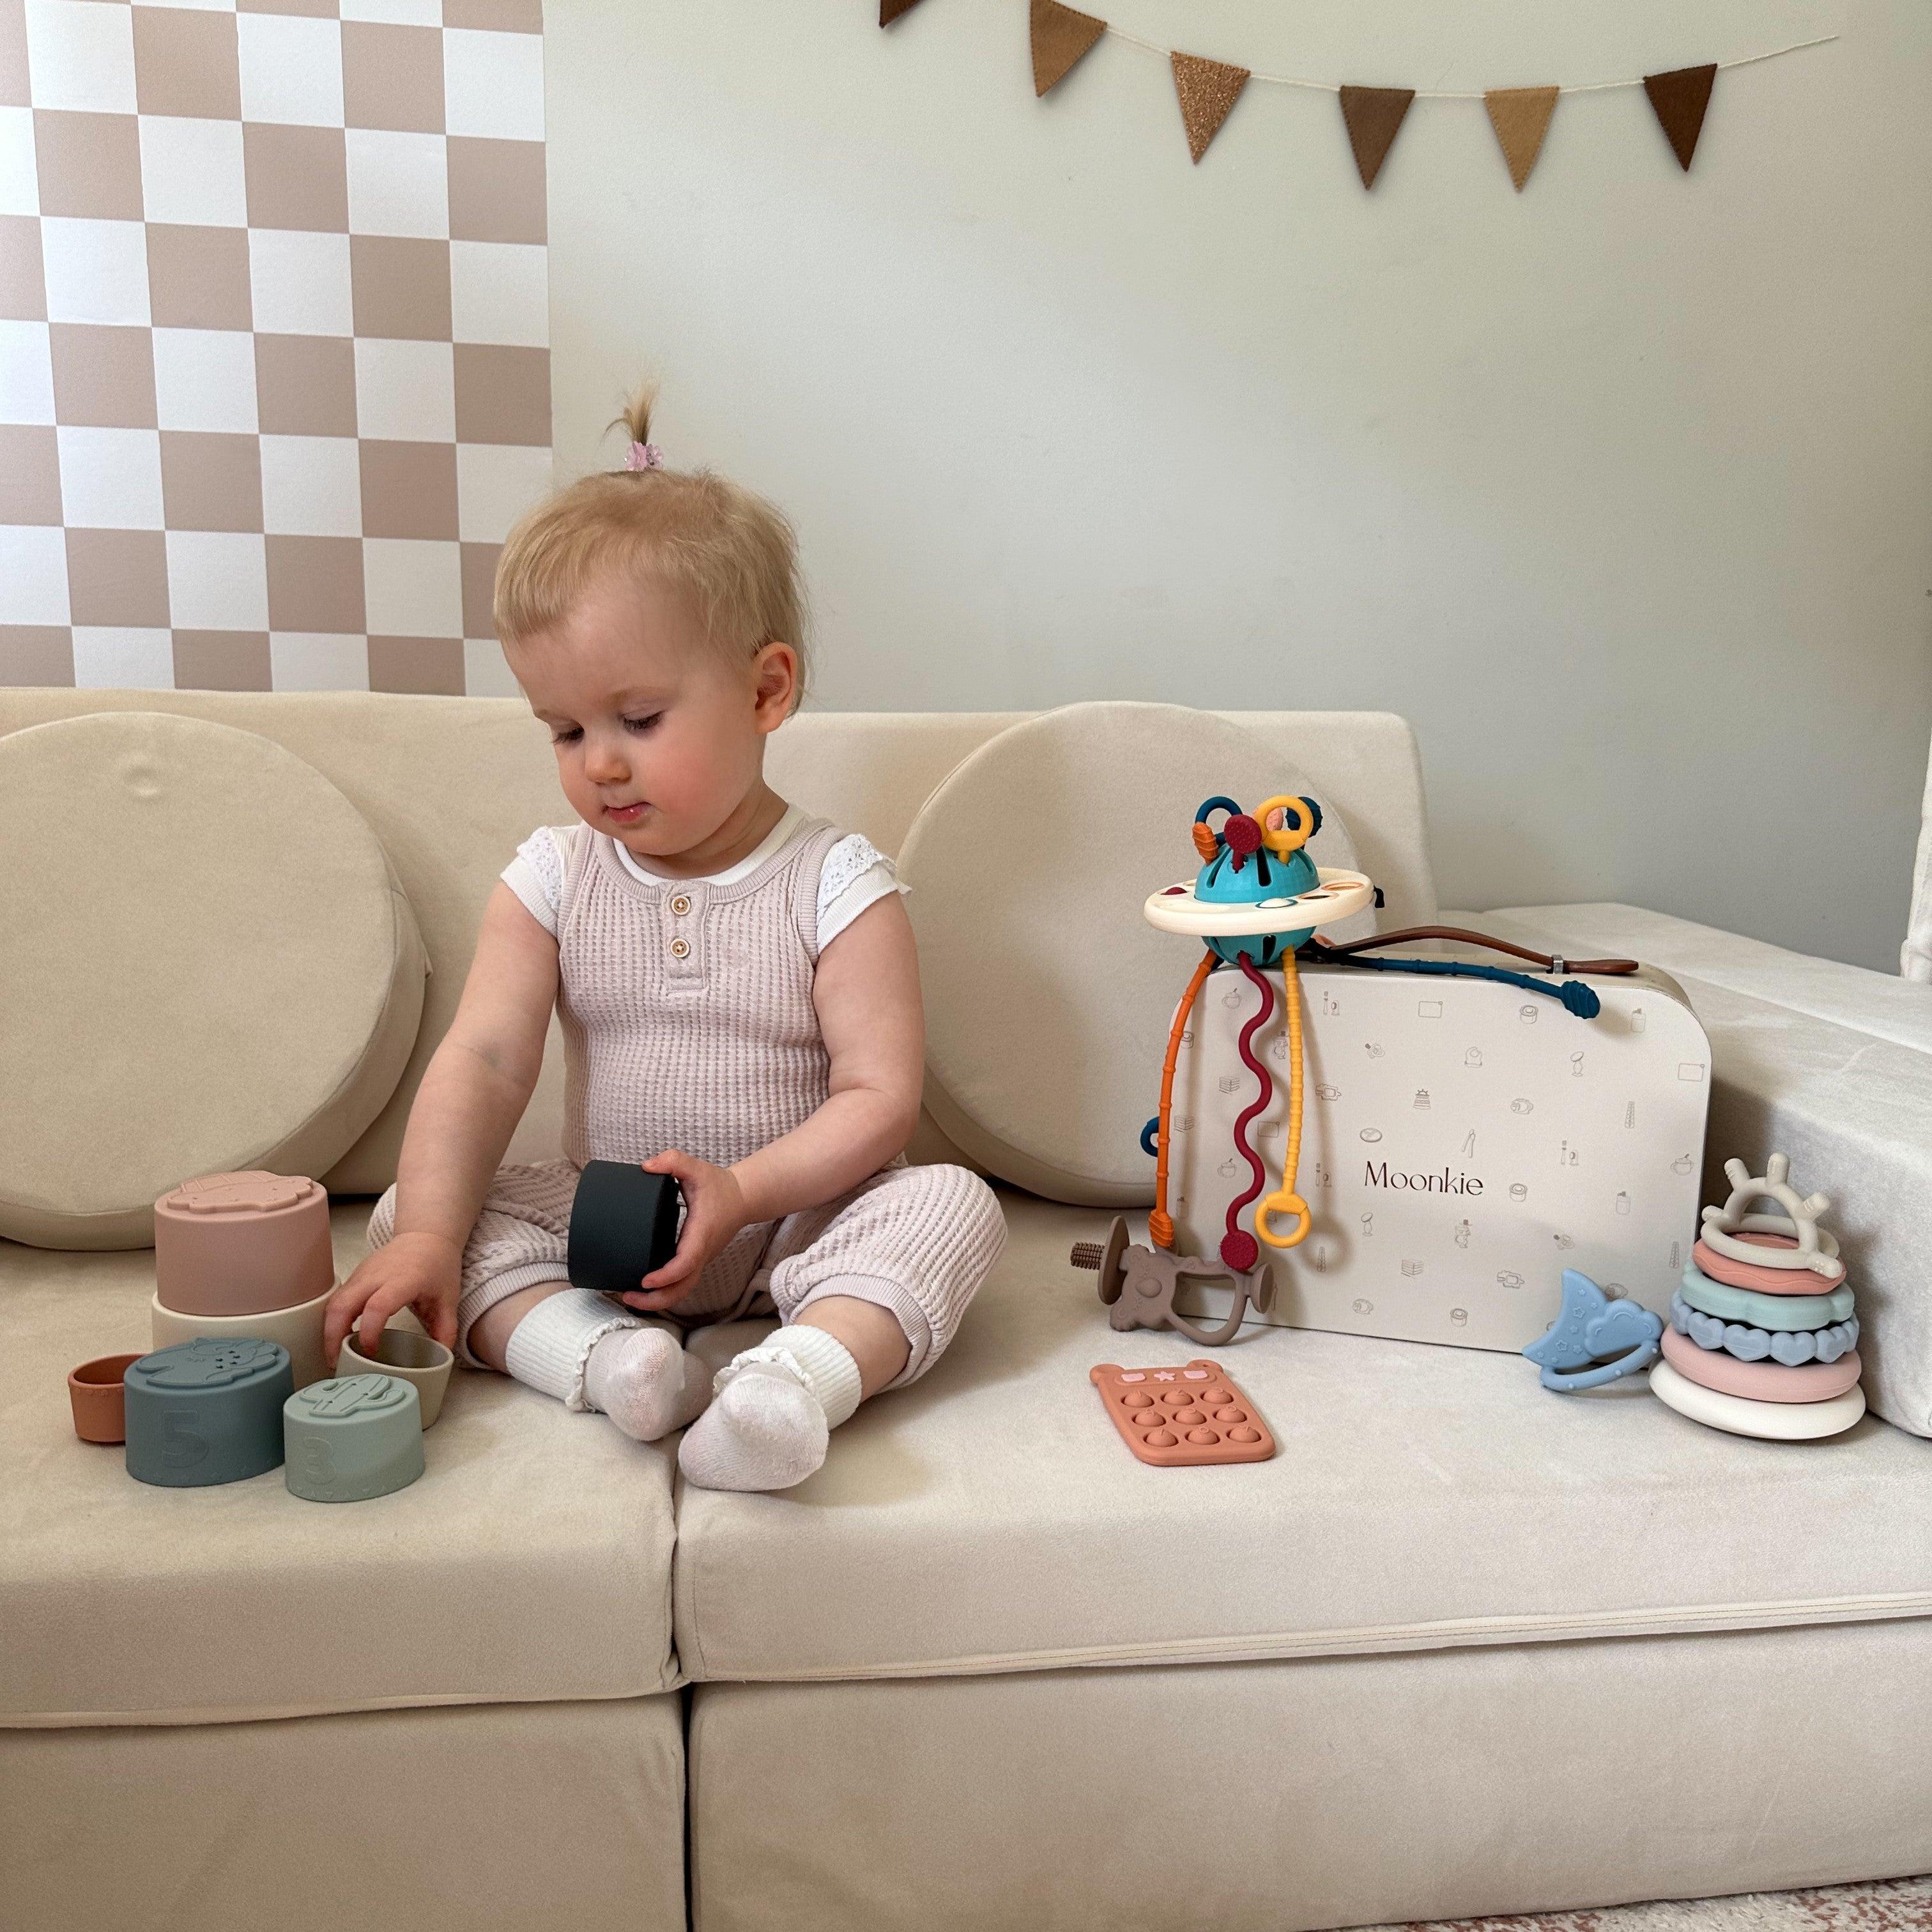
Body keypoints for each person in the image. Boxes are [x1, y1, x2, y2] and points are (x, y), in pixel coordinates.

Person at [323, 387, 1006, 1491]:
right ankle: (610, 1362)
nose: (599, 761)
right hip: (610, 1227)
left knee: (953, 1205)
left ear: (765, 689)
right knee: (420, 1206)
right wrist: (425, 1239)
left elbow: (879, 1100)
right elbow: (486, 1063)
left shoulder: (837, 883)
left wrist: (742, 1194)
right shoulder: (552, 877)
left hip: (796, 1226)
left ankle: (794, 1383)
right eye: (565, 728)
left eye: (637, 720)